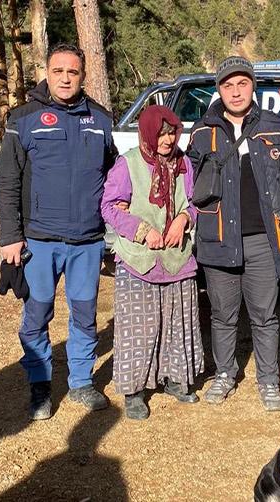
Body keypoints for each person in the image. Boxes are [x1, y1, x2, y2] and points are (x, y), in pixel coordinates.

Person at [0, 43, 116, 420]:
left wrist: (115, 230)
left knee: (84, 314)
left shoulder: (101, 119)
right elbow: (7, 181)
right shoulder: (24, 117)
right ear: (47, 72)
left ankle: (80, 383)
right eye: (59, 71)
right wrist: (9, 236)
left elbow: (113, 180)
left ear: (83, 75)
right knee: (37, 314)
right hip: (39, 240)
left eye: (73, 72)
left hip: (87, 241)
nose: (66, 78)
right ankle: (40, 385)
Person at [186, 56, 280, 412]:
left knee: (265, 315)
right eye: (228, 85)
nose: (235, 91)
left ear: (253, 86)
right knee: (222, 314)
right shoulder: (202, 132)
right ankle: (225, 375)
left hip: (264, 239)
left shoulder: (278, 128)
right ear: (218, 89)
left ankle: (268, 380)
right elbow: (187, 186)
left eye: (242, 83)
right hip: (217, 238)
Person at [101, 105, 204, 420]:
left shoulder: (184, 163)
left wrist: (184, 219)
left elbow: (196, 203)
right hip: (139, 259)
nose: (167, 139)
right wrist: (142, 231)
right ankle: (134, 391)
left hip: (176, 258)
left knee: (178, 322)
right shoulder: (127, 165)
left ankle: (176, 379)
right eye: (160, 133)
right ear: (147, 133)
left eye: (171, 132)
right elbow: (109, 207)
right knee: (140, 328)